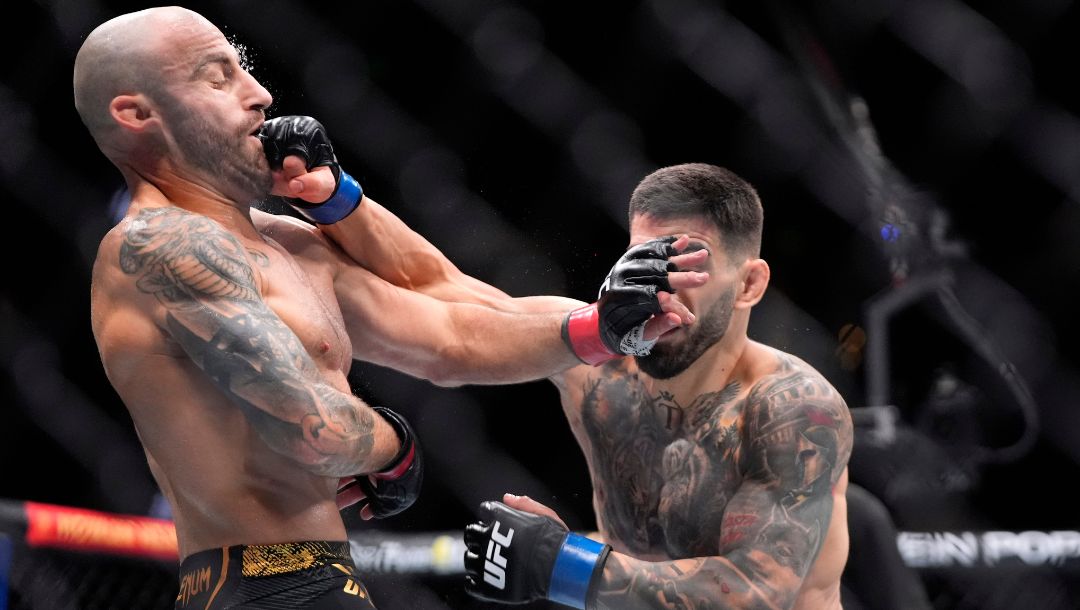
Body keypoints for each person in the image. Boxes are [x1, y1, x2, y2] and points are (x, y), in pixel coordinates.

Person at [73, 7, 705, 609]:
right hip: (258, 581)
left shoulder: (287, 242)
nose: (261, 93)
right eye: (219, 77)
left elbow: (450, 329)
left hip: (322, 575)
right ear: (135, 113)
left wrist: (601, 325)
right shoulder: (157, 247)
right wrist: (392, 444)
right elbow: (312, 430)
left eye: (244, 66)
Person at [323, 163, 854, 609]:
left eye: (689, 266)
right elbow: (440, 289)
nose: (662, 291)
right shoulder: (592, 352)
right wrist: (336, 197)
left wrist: (562, 564)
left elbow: (755, 593)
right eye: (649, 263)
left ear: (749, 285)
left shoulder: (793, 408)